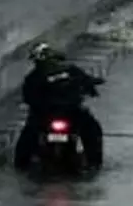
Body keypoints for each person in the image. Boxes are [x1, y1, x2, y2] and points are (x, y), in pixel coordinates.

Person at [14, 43, 104, 171]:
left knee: (27, 137)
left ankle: (21, 166)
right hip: (68, 114)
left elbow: (28, 98)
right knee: (92, 130)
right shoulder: (70, 70)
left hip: (47, 116)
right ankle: (95, 163)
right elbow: (87, 81)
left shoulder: (33, 77)